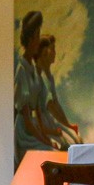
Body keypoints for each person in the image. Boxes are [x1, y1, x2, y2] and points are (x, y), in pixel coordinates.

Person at [14, 11, 81, 156]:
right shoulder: (22, 70)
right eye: (37, 36)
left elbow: (38, 110)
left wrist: (48, 136)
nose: (38, 41)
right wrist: (46, 140)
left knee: (62, 149)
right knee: (54, 153)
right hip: (26, 132)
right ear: (31, 39)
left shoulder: (33, 71)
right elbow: (27, 119)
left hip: (36, 128)